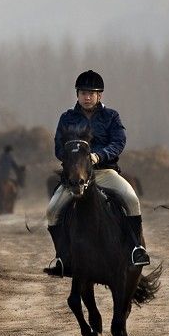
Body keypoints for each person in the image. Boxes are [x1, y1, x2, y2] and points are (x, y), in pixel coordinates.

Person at [44, 70, 150, 277]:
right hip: (77, 176)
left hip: (104, 171)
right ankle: (62, 257)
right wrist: (77, 159)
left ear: (99, 95)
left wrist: (98, 156)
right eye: (83, 92)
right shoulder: (67, 118)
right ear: (77, 95)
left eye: (91, 93)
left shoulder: (111, 116)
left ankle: (136, 249)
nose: (87, 96)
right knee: (52, 211)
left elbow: (118, 142)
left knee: (131, 199)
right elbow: (59, 147)